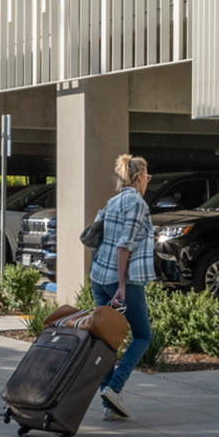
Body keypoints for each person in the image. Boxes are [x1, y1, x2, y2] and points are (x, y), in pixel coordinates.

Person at [87, 153, 154, 420]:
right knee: (142, 335)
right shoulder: (137, 203)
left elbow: (99, 239)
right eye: (148, 176)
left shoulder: (113, 201)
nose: (148, 180)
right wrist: (123, 286)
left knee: (106, 340)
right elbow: (125, 245)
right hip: (122, 280)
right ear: (139, 178)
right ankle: (114, 388)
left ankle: (108, 405)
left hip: (99, 276)